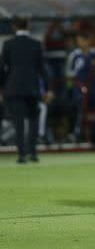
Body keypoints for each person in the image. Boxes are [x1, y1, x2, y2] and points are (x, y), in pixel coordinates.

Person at [0, 17, 50, 163]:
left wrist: (1, 87)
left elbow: (3, 68)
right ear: (27, 26)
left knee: (19, 123)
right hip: (32, 88)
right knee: (33, 121)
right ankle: (33, 153)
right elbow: (42, 69)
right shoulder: (36, 44)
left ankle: (21, 155)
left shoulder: (8, 44)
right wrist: (47, 89)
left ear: (14, 26)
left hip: (13, 88)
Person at [66, 32, 95, 141]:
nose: (79, 43)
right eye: (78, 40)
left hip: (94, 88)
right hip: (79, 88)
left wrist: (94, 69)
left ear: (88, 41)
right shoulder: (74, 55)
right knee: (78, 107)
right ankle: (76, 133)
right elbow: (69, 73)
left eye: (81, 40)